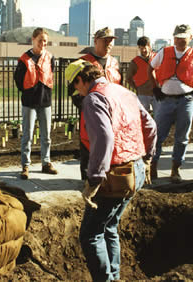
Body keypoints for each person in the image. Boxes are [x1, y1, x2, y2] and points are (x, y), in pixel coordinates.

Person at [65, 59, 157, 282]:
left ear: (80, 79)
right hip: (136, 169)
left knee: (90, 234)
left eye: (75, 86)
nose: (77, 92)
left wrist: (94, 180)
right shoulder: (123, 92)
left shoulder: (94, 98)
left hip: (117, 176)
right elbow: (151, 126)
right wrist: (147, 158)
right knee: (109, 226)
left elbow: (104, 139)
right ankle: (113, 276)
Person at [147, 24, 193, 183]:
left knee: (182, 137)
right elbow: (150, 67)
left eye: (183, 38)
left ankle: (175, 169)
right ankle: (153, 167)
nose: (180, 41)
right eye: (178, 38)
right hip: (165, 99)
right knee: (157, 135)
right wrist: (155, 87)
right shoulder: (165, 52)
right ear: (174, 38)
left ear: (190, 38)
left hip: (186, 100)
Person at [70, 27, 122, 180]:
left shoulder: (114, 62)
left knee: (108, 145)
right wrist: (86, 107)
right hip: (90, 112)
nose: (109, 44)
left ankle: (106, 179)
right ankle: (87, 180)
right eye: (105, 40)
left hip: (112, 114)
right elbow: (73, 90)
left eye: (111, 41)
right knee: (88, 145)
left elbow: (119, 86)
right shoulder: (83, 62)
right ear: (95, 41)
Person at [14, 27, 58, 180]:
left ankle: (46, 163)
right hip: (29, 102)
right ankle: (25, 165)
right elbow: (18, 81)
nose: (42, 43)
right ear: (33, 40)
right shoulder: (24, 59)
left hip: (45, 102)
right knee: (27, 135)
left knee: (46, 135)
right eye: (40, 40)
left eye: (45, 41)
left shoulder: (50, 57)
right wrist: (29, 91)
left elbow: (50, 74)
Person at [126, 36, 158, 114]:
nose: (143, 50)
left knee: (159, 117)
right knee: (143, 117)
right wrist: (137, 89)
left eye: (145, 48)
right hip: (143, 94)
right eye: (141, 48)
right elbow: (128, 78)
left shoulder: (157, 57)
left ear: (149, 46)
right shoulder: (134, 62)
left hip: (157, 93)